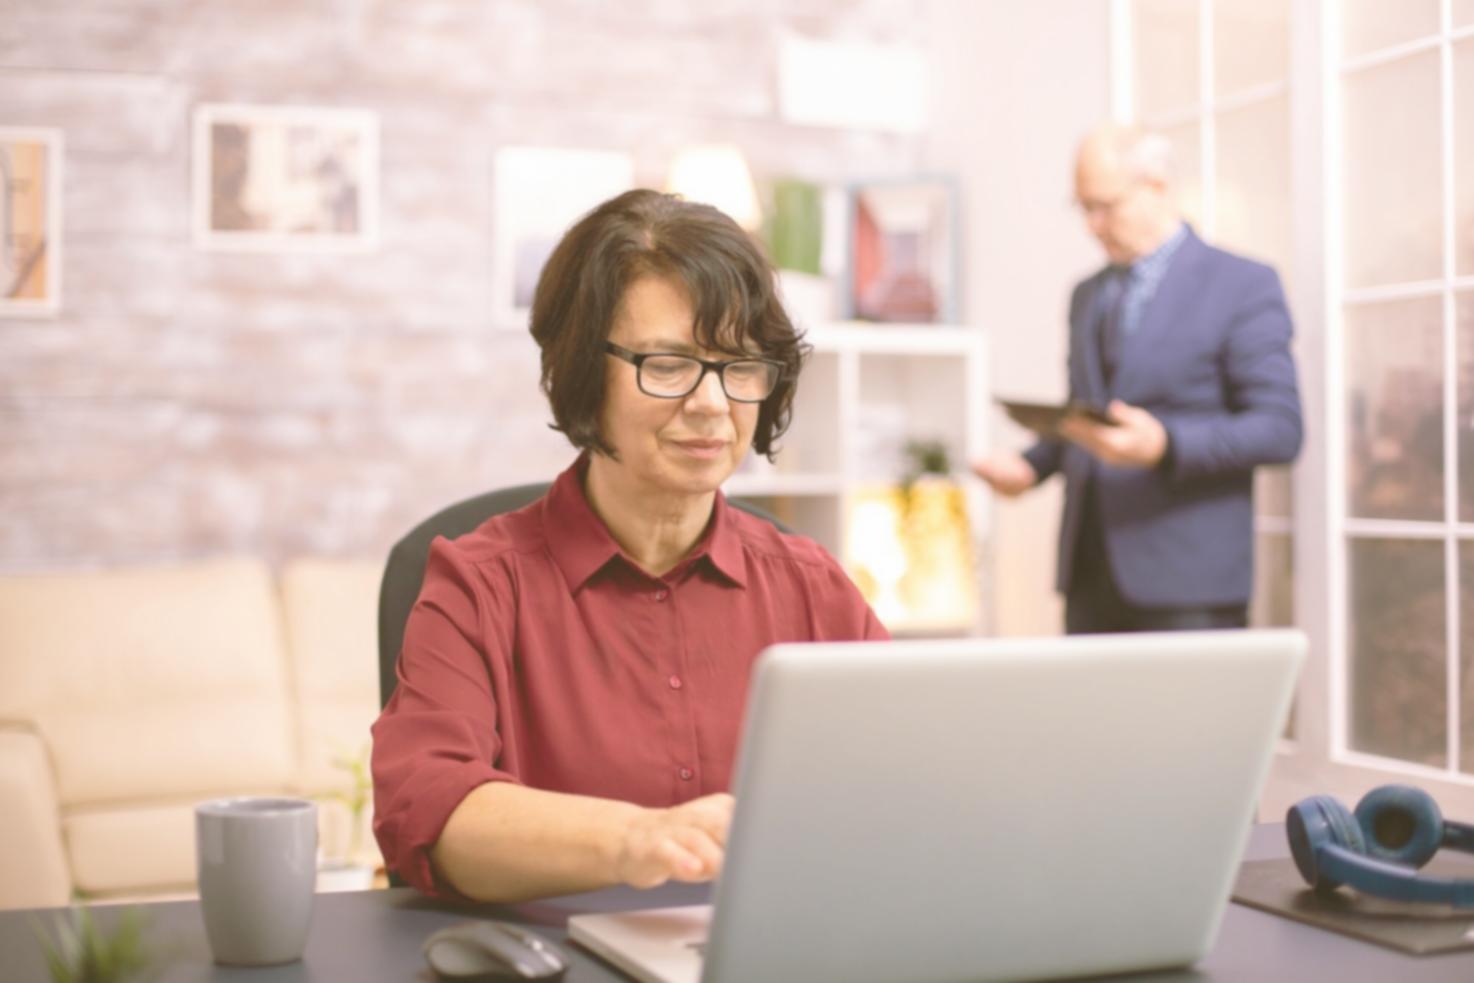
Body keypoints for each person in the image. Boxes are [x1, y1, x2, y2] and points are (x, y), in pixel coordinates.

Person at [371, 189, 888, 903]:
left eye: (739, 364)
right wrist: (637, 840)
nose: (712, 403)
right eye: (669, 364)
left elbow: (907, 788)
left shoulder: (812, 587)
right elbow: (432, 811)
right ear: (586, 373)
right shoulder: (478, 585)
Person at [972, 124, 1302, 634]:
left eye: (1105, 206)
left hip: (1189, 582)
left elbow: (1280, 429)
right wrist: (1030, 467)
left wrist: (1165, 445)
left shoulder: (1242, 285)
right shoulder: (1087, 294)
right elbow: (1089, 415)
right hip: (1089, 575)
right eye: (1082, 207)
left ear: (1158, 187)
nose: (1092, 225)